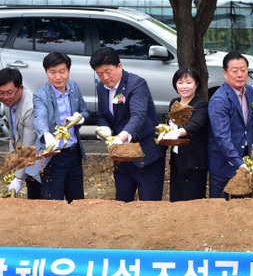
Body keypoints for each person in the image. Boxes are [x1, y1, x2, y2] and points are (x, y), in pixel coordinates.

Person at [90, 47, 166, 202]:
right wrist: (103, 128)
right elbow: (104, 115)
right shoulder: (101, 87)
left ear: (119, 66)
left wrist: (122, 137)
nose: (105, 77)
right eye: (99, 74)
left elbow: (138, 116)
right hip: (122, 158)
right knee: (122, 203)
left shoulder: (136, 84)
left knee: (149, 205)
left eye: (108, 71)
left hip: (146, 154)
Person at [33, 52, 89, 202]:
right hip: (53, 158)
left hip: (74, 155)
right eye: (52, 72)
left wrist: (80, 118)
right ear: (46, 72)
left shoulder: (74, 87)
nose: (58, 76)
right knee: (53, 203)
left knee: (77, 201)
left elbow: (85, 110)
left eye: (62, 71)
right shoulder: (40, 95)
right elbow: (40, 117)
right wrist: (46, 135)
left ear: (68, 71)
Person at [207, 52, 253, 199]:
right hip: (224, 164)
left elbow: (249, 123)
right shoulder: (220, 99)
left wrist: (252, 144)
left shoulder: (248, 91)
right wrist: (239, 163)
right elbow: (221, 136)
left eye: (243, 70)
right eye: (234, 71)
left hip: (243, 157)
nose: (240, 74)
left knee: (242, 208)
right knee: (221, 208)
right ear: (225, 73)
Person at [164, 67, 209, 202]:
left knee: (192, 202)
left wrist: (177, 133)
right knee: (176, 201)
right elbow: (169, 125)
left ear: (196, 85)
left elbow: (194, 126)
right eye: (180, 82)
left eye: (189, 82)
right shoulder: (174, 103)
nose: (184, 86)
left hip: (195, 161)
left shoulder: (202, 105)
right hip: (177, 160)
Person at [0, 68, 41, 198]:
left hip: (41, 160)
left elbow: (28, 147)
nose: (5, 97)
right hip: (28, 162)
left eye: (9, 93)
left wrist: (18, 179)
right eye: (1, 93)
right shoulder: (9, 102)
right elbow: (14, 138)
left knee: (43, 202)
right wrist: (13, 161)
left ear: (21, 88)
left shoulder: (30, 108)